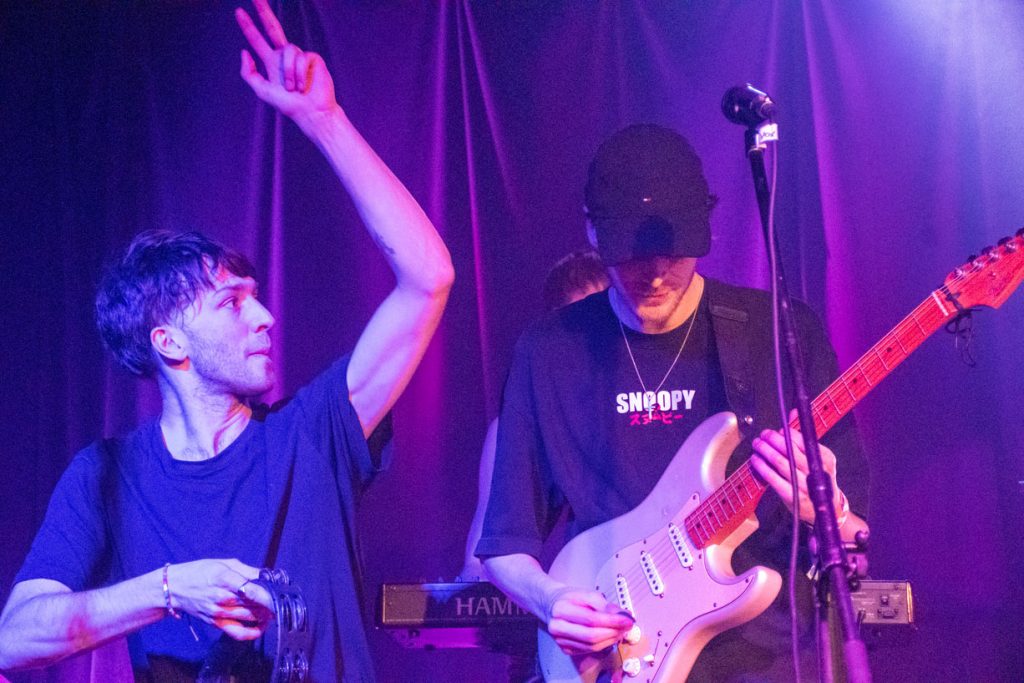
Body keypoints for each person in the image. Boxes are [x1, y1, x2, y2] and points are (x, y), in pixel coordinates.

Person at [0, 1, 453, 681]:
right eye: (232, 302)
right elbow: (12, 640)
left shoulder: (313, 433)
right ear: (169, 342)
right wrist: (167, 589)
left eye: (256, 296)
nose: (265, 316)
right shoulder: (107, 475)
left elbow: (428, 277)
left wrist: (324, 121)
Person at [476, 124, 869, 681]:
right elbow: (504, 544)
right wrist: (553, 601)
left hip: (768, 663)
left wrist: (827, 510)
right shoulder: (548, 352)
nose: (657, 274)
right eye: (635, 257)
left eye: (675, 252)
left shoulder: (777, 332)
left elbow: (856, 537)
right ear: (593, 230)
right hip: (619, 661)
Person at [460, 249, 609, 584]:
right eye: (576, 327)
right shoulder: (516, 428)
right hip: (563, 596)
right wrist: (463, 597)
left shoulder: (645, 409)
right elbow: (483, 553)